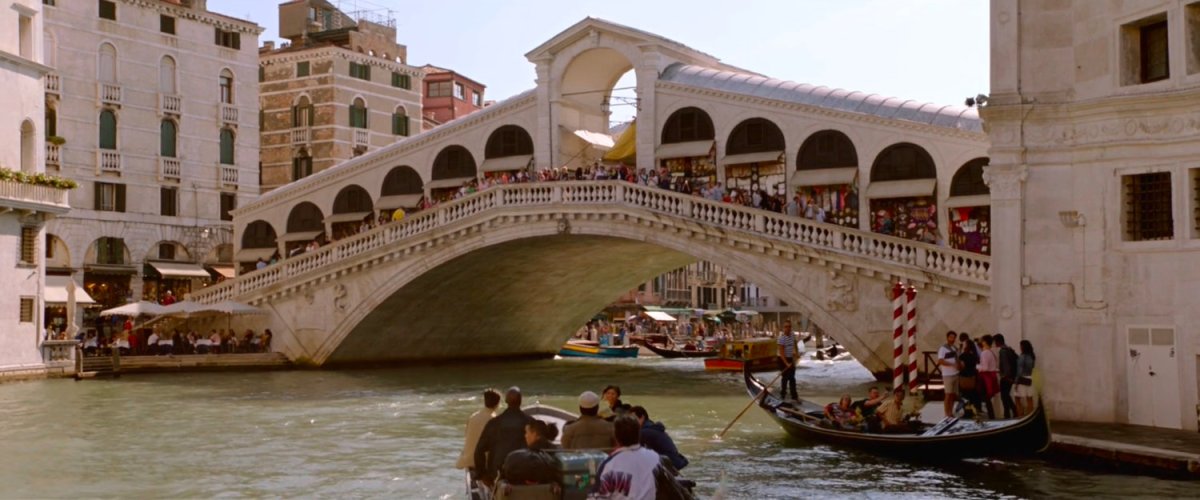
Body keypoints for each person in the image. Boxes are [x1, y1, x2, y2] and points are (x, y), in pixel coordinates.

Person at [592, 415, 662, 500]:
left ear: (616, 437)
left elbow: (597, 497)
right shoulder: (655, 458)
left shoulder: (609, 465)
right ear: (639, 434)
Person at [474, 387, 532, 485]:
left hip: (497, 475)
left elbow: (479, 450)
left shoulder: (494, 423)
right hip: (524, 476)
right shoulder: (531, 423)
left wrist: (482, 475)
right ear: (520, 401)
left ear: (505, 401)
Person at [500, 420, 560, 486]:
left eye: (526, 432)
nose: (525, 436)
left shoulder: (524, 457)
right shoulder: (556, 452)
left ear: (534, 434)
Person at [629, 406, 688, 470]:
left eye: (633, 419)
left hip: (669, 464)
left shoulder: (645, 432)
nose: (631, 422)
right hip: (675, 461)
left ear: (642, 417)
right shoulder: (651, 427)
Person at [457, 389, 500, 470]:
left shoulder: (473, 416)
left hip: (467, 461)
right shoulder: (495, 420)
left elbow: (466, 436)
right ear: (497, 404)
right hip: (483, 464)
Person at [995, 334, 1019, 419]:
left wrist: (1005, 376)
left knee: (1004, 397)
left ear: (997, 341)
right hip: (1011, 376)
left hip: (1006, 378)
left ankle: (1007, 415)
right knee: (1006, 395)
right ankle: (1014, 410)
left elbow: (1006, 365)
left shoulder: (1003, 351)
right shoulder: (1009, 349)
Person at [937, 331, 960, 418]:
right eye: (951, 337)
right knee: (948, 394)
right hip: (947, 374)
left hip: (955, 373)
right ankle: (946, 413)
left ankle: (951, 411)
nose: (952, 339)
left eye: (954, 337)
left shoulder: (955, 348)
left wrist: (958, 365)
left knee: (953, 394)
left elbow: (957, 358)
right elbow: (940, 361)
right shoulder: (943, 348)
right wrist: (951, 364)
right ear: (947, 338)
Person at [957, 333, 980, 417]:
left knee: (964, 395)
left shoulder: (963, 356)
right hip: (972, 376)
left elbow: (960, 367)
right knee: (972, 394)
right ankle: (974, 410)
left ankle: (967, 412)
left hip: (964, 377)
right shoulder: (974, 356)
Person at [977, 335, 1000, 419]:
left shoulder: (984, 353)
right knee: (988, 399)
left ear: (985, 342)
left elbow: (985, 367)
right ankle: (991, 415)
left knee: (986, 398)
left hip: (986, 377)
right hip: (992, 376)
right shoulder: (991, 352)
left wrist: (977, 367)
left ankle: (991, 416)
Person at [776, 321, 799, 401]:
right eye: (786, 327)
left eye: (789, 326)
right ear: (783, 328)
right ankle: (782, 395)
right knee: (785, 378)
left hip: (790, 358)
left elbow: (795, 343)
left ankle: (794, 396)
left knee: (792, 378)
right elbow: (781, 353)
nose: (788, 328)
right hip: (782, 359)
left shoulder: (792, 335)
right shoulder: (781, 338)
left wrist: (796, 352)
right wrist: (786, 363)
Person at [1013, 340, 1037, 417]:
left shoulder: (1022, 357)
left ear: (1023, 347)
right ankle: (1030, 415)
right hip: (1030, 379)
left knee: (1017, 399)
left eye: (1020, 346)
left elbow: (1019, 371)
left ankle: (1020, 416)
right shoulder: (1031, 356)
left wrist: (1016, 383)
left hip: (1022, 379)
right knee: (1029, 399)